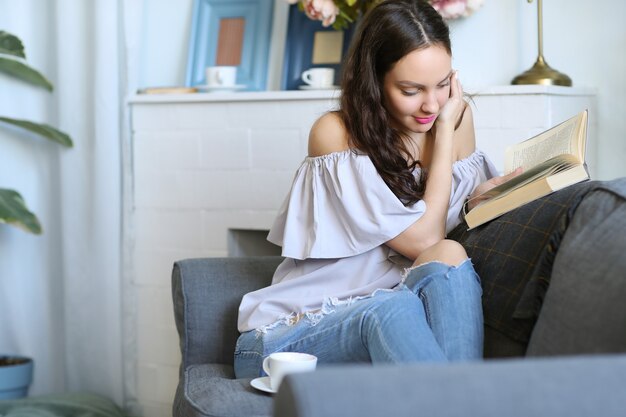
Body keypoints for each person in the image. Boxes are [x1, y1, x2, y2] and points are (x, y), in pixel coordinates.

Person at [234, 0, 520, 378]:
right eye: (411, 89)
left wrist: (477, 199)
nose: (432, 105)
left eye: (441, 84)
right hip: (287, 337)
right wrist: (445, 134)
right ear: (375, 81)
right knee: (392, 307)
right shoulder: (335, 133)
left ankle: (458, 402)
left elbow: (439, 241)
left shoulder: (451, 117)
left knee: (449, 255)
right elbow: (421, 239)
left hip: (393, 324)